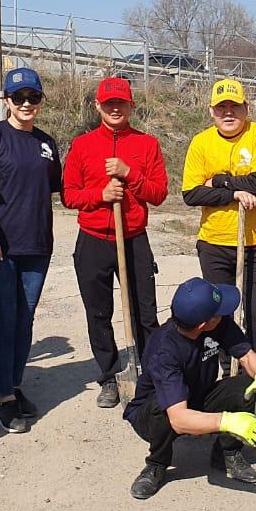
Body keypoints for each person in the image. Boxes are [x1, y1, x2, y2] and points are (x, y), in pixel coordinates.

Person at [122, 277, 256, 500]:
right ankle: (156, 464)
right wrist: (228, 421)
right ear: (203, 324)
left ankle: (228, 452)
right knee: (162, 406)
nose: (224, 314)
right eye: (219, 311)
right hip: (154, 414)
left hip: (198, 396)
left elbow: (247, 356)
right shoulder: (163, 350)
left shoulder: (218, 323)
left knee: (250, 387)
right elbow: (178, 418)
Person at [62, 77, 168, 409]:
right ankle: (109, 377)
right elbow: (68, 195)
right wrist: (101, 195)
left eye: (121, 103)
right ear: (98, 106)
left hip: (134, 239)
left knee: (145, 313)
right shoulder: (82, 145)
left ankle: (150, 375)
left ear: (131, 106)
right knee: (99, 312)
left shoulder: (147, 145)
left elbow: (160, 193)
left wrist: (129, 174)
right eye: (108, 103)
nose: (115, 108)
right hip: (93, 240)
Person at [0, 68, 62, 433]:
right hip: (0, 248)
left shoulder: (46, 142)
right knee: (4, 321)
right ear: (6, 100)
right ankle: (5, 398)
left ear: (40, 101)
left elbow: (58, 189)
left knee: (25, 320)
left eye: (33, 98)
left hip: (37, 246)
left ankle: (16, 383)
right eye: (18, 97)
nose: (26, 104)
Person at [181, 79, 256, 364]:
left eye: (234, 106)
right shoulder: (201, 142)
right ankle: (224, 368)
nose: (228, 112)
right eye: (221, 107)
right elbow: (191, 193)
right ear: (212, 111)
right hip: (214, 243)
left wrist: (219, 181)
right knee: (217, 314)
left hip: (255, 243)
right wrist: (233, 192)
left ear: (246, 108)